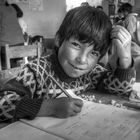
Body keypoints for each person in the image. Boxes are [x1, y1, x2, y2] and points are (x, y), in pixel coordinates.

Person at [0, 6, 135, 122]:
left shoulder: (91, 73)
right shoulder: (35, 72)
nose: (82, 59)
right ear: (59, 40)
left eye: (94, 53)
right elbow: (3, 104)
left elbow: (121, 89)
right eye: (76, 45)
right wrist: (50, 107)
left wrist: (125, 58)